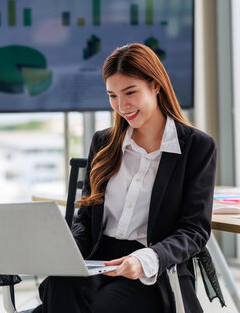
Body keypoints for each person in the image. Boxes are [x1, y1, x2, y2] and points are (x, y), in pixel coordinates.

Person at [35, 43, 217, 313]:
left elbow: (195, 230)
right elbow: (85, 220)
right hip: (98, 258)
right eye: (112, 95)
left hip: (152, 270)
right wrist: (68, 250)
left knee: (97, 306)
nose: (121, 105)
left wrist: (145, 260)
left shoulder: (196, 146)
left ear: (155, 85)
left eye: (130, 92)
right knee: (59, 284)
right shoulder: (104, 142)